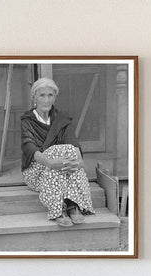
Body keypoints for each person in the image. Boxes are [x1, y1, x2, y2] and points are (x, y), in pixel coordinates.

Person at [21, 78, 94, 227]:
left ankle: (71, 204)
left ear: (55, 97)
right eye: (42, 95)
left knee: (69, 150)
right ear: (34, 97)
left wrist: (78, 162)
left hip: (64, 169)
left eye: (50, 95)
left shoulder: (62, 119)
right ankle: (58, 209)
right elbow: (29, 147)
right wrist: (50, 162)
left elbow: (73, 143)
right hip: (38, 173)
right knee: (57, 150)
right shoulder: (27, 120)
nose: (46, 100)